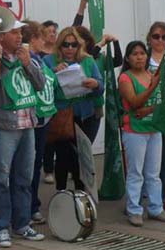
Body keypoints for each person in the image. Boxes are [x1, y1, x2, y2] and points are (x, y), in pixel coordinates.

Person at [0, 17, 47, 248]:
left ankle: (22, 224)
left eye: (20, 33)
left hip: (27, 125)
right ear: (1, 37)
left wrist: (27, 64)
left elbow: (41, 84)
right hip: (3, 126)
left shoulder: (26, 57)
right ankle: (0, 227)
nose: (19, 37)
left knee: (24, 178)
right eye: (14, 33)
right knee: (0, 178)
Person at [117, 41, 165, 227]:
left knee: (153, 173)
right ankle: (134, 210)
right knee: (135, 172)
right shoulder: (125, 78)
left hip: (154, 129)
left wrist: (149, 110)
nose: (139, 57)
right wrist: (152, 87)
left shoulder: (151, 75)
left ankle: (156, 208)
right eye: (135, 54)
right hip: (135, 131)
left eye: (142, 53)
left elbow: (162, 104)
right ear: (127, 58)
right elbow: (134, 102)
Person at [43, 27, 104, 193]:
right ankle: (61, 192)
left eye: (74, 45)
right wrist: (53, 74)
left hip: (85, 114)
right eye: (65, 45)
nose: (70, 49)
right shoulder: (49, 61)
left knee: (81, 155)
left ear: (80, 45)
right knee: (63, 156)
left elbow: (100, 85)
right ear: (59, 46)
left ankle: (81, 193)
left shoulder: (88, 60)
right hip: (62, 115)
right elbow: (41, 86)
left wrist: (95, 84)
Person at [21, 20, 57, 225]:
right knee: (29, 165)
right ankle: (28, 206)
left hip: (44, 117)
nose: (44, 41)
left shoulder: (39, 60)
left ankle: (32, 203)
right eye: (41, 37)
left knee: (35, 164)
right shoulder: (28, 59)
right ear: (33, 39)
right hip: (33, 118)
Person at [146, 21, 165, 207]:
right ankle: (146, 191)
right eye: (156, 36)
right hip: (148, 113)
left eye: (164, 37)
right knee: (147, 157)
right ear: (149, 38)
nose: (160, 40)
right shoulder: (142, 56)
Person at [40, 20, 59, 184]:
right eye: (49, 31)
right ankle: (46, 169)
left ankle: (56, 168)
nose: (53, 33)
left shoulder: (60, 51)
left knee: (58, 135)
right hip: (42, 99)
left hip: (58, 98)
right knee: (45, 138)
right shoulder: (38, 53)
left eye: (55, 31)